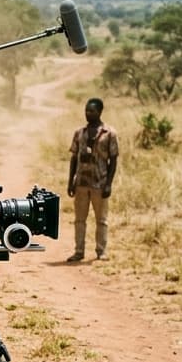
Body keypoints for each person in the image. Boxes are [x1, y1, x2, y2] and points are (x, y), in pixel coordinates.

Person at [67, 97, 119, 262]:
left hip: (99, 182)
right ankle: (79, 251)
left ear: (100, 112)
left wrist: (109, 184)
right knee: (79, 220)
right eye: (86, 110)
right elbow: (74, 158)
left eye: (92, 111)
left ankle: (101, 251)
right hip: (81, 183)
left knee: (101, 220)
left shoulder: (109, 133)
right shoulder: (79, 133)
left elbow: (113, 160)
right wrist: (71, 181)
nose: (88, 113)